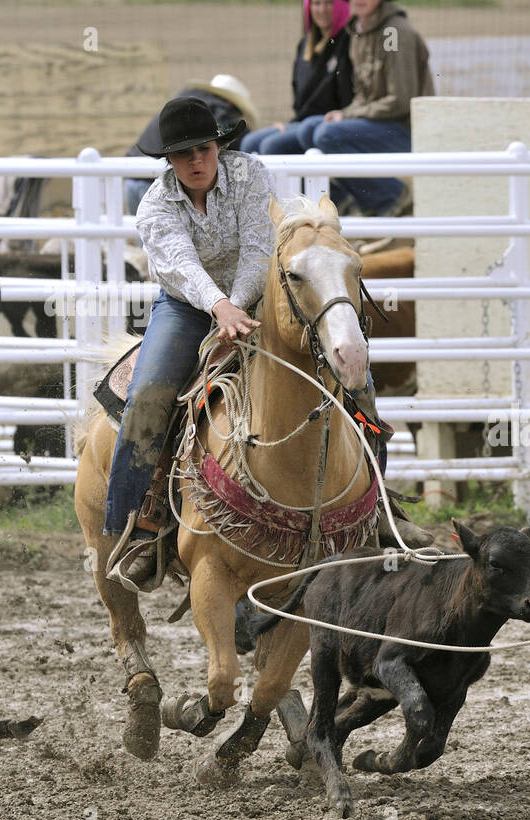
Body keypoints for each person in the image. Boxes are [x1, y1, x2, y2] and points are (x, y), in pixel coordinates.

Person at [104, 97, 272, 589]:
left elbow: (260, 248)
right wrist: (219, 308)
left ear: (217, 146)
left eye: (202, 149)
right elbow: (181, 266)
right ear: (169, 161)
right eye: (182, 154)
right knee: (148, 393)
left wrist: (235, 304)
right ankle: (132, 529)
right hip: (186, 306)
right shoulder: (155, 205)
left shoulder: (250, 175)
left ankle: (373, 503)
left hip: (255, 297)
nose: (196, 161)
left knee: (340, 368)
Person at [303, 0, 434, 217]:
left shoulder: (394, 31)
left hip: (406, 131)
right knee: (309, 130)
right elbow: (364, 97)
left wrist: (347, 114)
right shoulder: (358, 31)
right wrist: (345, 114)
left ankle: (394, 202)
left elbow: (400, 101)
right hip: (378, 125)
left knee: (327, 134)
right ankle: (355, 204)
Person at [123, 75, 261, 215]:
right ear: (231, 104)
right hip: (160, 186)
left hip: (134, 178)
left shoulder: (186, 100)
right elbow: (237, 140)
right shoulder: (217, 109)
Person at [242, 0, 354, 157]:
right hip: (301, 123)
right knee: (249, 143)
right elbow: (300, 96)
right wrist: (290, 124)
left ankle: (310, 182)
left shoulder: (349, 42)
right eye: (316, 4)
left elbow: (345, 95)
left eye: (329, 3)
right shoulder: (305, 45)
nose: (322, 10)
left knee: (272, 146)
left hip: (329, 123)